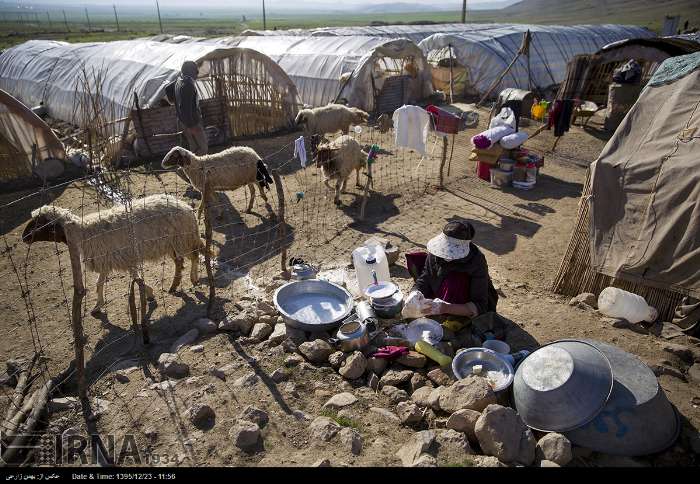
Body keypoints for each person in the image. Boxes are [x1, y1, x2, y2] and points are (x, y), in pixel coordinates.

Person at [405, 221, 497, 319]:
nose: (446, 255)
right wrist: (414, 292)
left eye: (452, 252)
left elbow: (480, 305)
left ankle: (451, 314)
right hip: (439, 291)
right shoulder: (436, 253)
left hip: (461, 303)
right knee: (416, 260)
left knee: (455, 280)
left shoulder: (476, 261)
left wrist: (446, 308)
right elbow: (425, 277)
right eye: (445, 249)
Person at [175, 61, 208, 157]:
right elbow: (186, 108)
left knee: (193, 147)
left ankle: (194, 168)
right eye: (195, 71)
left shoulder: (179, 81)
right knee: (203, 148)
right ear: (190, 71)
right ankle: (194, 166)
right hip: (191, 122)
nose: (197, 73)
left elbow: (168, 90)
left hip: (182, 121)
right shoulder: (188, 85)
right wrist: (191, 126)